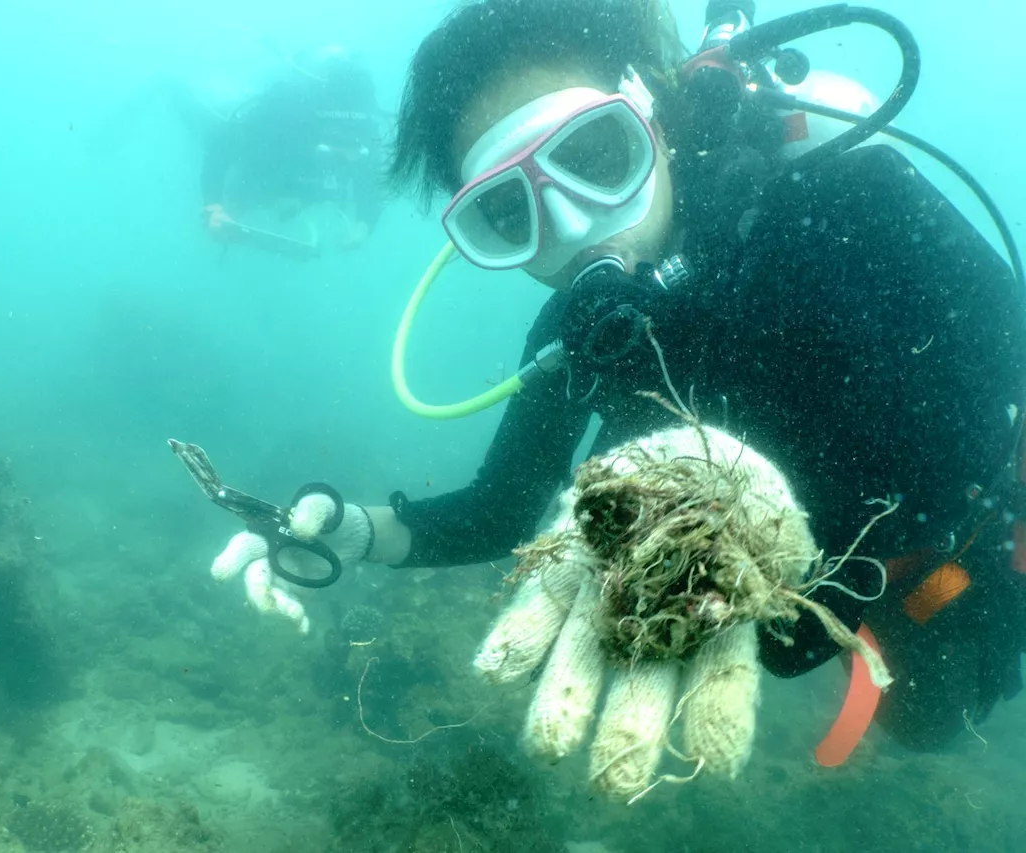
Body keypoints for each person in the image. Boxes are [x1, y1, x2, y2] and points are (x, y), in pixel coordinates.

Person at [205, 0, 1026, 766]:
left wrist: (764, 501)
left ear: (654, 117)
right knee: (923, 714)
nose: (569, 225)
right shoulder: (580, 337)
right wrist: (342, 529)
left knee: (934, 698)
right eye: (508, 211)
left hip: (986, 537)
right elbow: (500, 509)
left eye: (595, 154)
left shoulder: (856, 207)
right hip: (864, 608)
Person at [201, 44, 385, 254]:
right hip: (257, 170)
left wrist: (364, 225)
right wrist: (213, 204)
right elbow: (220, 146)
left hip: (287, 182)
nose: (350, 151)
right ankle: (185, 86)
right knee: (210, 122)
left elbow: (371, 180)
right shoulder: (285, 109)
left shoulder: (364, 125)